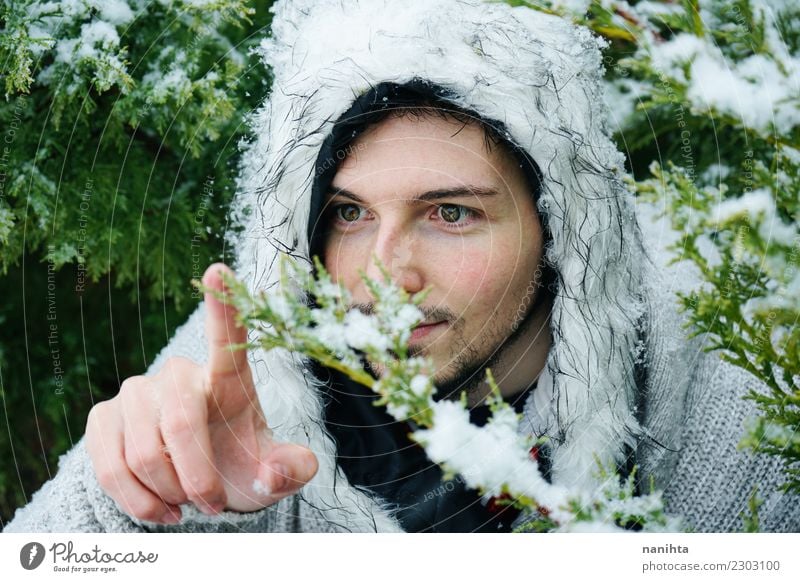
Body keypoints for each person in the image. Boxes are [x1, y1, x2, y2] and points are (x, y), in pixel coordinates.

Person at [5, 0, 798, 533]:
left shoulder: (741, 407)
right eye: (348, 213)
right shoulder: (253, 361)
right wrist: (137, 502)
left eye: (451, 213)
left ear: (564, 225)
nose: (384, 277)